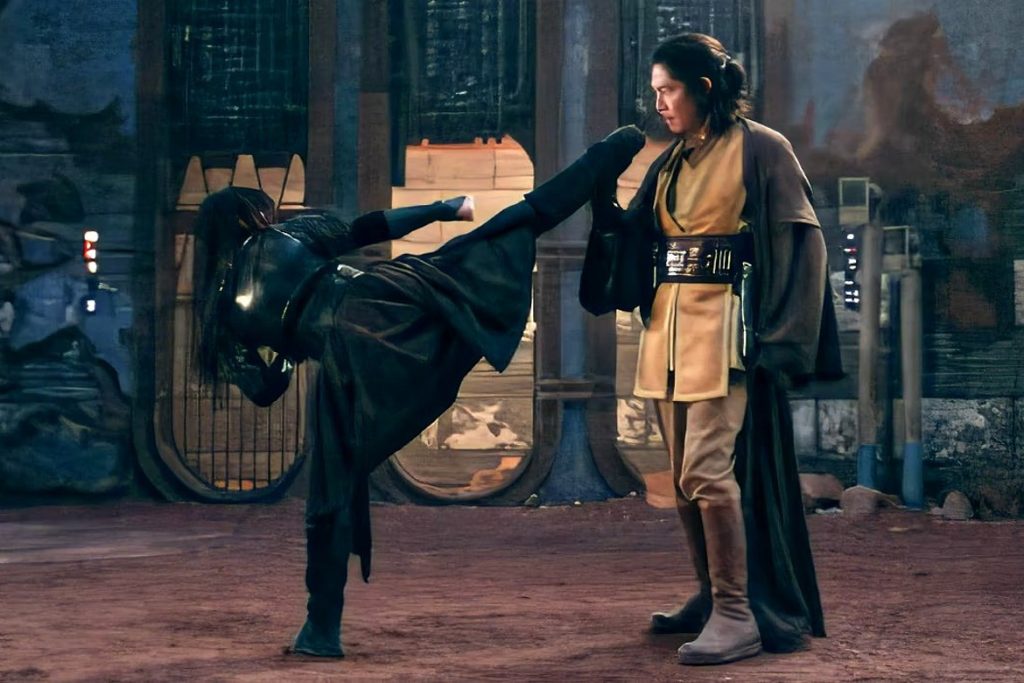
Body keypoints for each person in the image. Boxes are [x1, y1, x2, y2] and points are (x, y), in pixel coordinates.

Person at [191, 126, 646, 657]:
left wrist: (288, 351)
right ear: (250, 217)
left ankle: (321, 629)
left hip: (344, 367)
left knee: (331, 495)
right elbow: (370, 227)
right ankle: (604, 156)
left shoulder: (220, 313)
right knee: (507, 228)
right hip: (383, 304)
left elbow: (265, 390)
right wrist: (441, 209)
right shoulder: (284, 238)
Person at [580, 33, 842, 665]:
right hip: (668, 331)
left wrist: (782, 339)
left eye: (668, 90)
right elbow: (637, 237)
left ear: (703, 88)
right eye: (655, 92)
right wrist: (603, 201)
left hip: (728, 333)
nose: (659, 103)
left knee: (704, 470)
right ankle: (709, 595)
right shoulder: (671, 160)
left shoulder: (761, 148)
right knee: (681, 479)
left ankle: (736, 613)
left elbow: (803, 244)